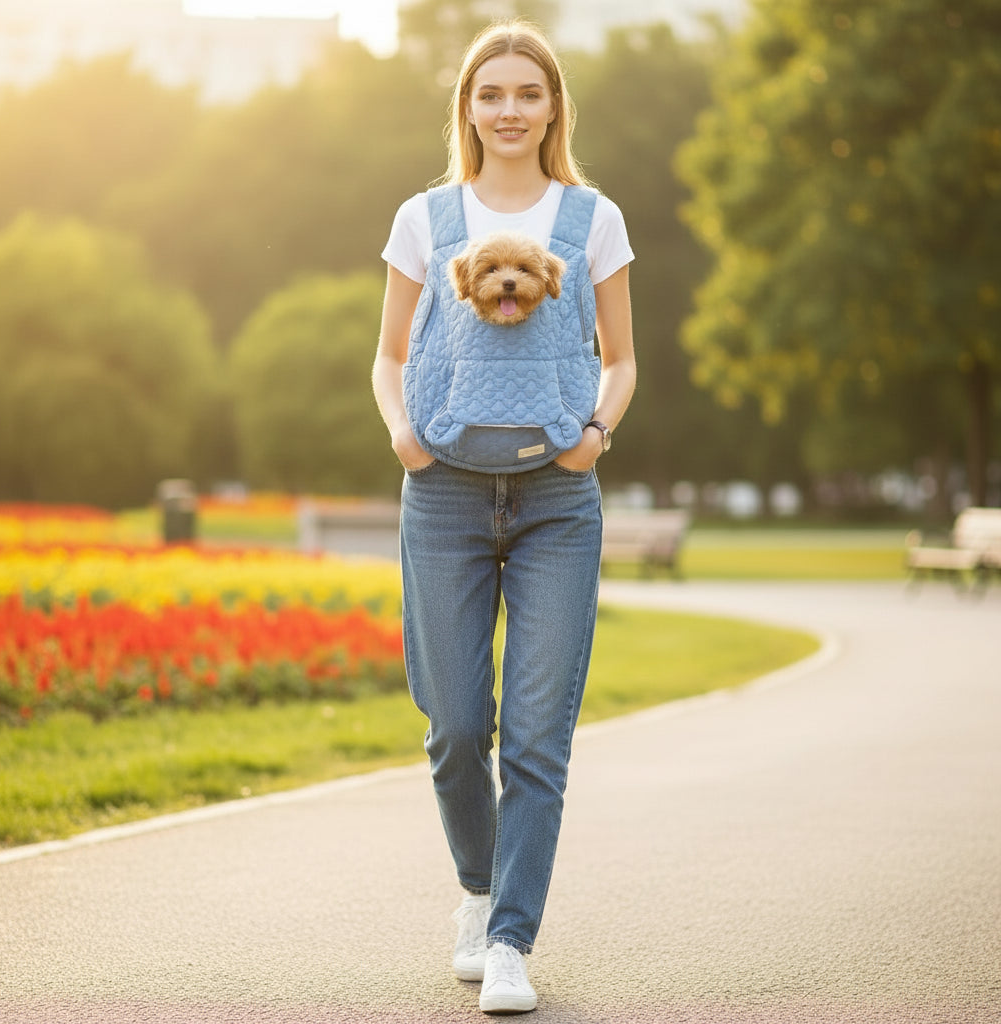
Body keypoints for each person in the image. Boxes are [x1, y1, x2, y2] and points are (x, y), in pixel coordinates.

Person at [373, 19, 635, 1015]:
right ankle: (477, 895)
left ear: (552, 106)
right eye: (494, 94)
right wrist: (400, 429)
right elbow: (389, 355)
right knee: (453, 728)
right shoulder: (424, 217)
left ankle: (513, 937)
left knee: (535, 736)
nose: (512, 109)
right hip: (440, 494)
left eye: (530, 93)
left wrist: (595, 433)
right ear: (469, 108)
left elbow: (621, 357)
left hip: (557, 501)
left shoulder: (592, 218)